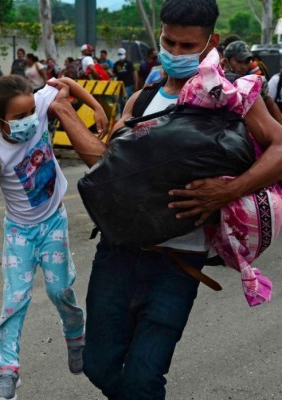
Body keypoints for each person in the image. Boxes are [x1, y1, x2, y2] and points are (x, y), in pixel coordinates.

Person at [44, 1, 282, 398]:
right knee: (99, 364)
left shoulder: (233, 96)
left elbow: (280, 148)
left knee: (144, 378)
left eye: (188, 46)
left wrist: (229, 190)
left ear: (212, 42)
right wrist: (66, 111)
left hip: (178, 265)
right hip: (117, 254)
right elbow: (109, 165)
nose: (176, 52)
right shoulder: (142, 99)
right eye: (169, 42)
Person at [0, 75, 108, 400]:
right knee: (14, 300)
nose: (30, 120)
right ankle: (7, 371)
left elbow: (66, 84)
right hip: (19, 233)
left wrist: (96, 106)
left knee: (61, 290)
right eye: (19, 117)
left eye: (32, 111)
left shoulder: (38, 105)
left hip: (53, 222)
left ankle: (75, 334)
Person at [223, 40, 282, 124]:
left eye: (247, 62)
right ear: (226, 61)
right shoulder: (218, 81)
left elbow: (271, 107)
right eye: (239, 61)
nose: (243, 67)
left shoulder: (255, 83)